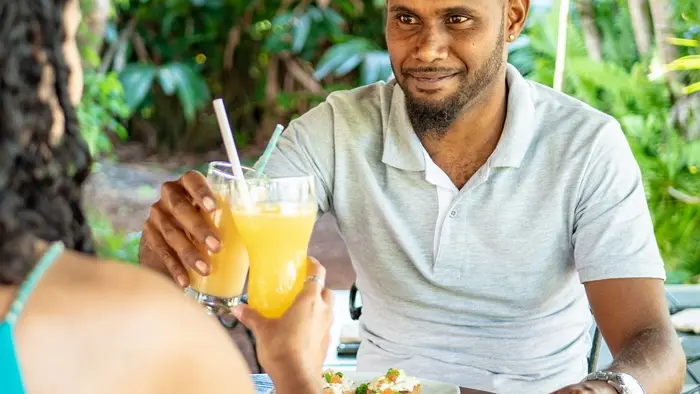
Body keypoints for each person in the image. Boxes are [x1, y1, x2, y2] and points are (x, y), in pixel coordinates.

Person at [140, 0, 687, 392]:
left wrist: (604, 390)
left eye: (457, 19)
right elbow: (235, 259)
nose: (426, 48)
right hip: (384, 387)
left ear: (513, 18)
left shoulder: (585, 145)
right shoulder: (339, 128)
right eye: (406, 18)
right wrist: (172, 246)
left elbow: (654, 344)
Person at [0, 1, 332, 393]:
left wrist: (156, 289)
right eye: (69, 38)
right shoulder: (143, 330)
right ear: (31, 59)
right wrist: (294, 367)